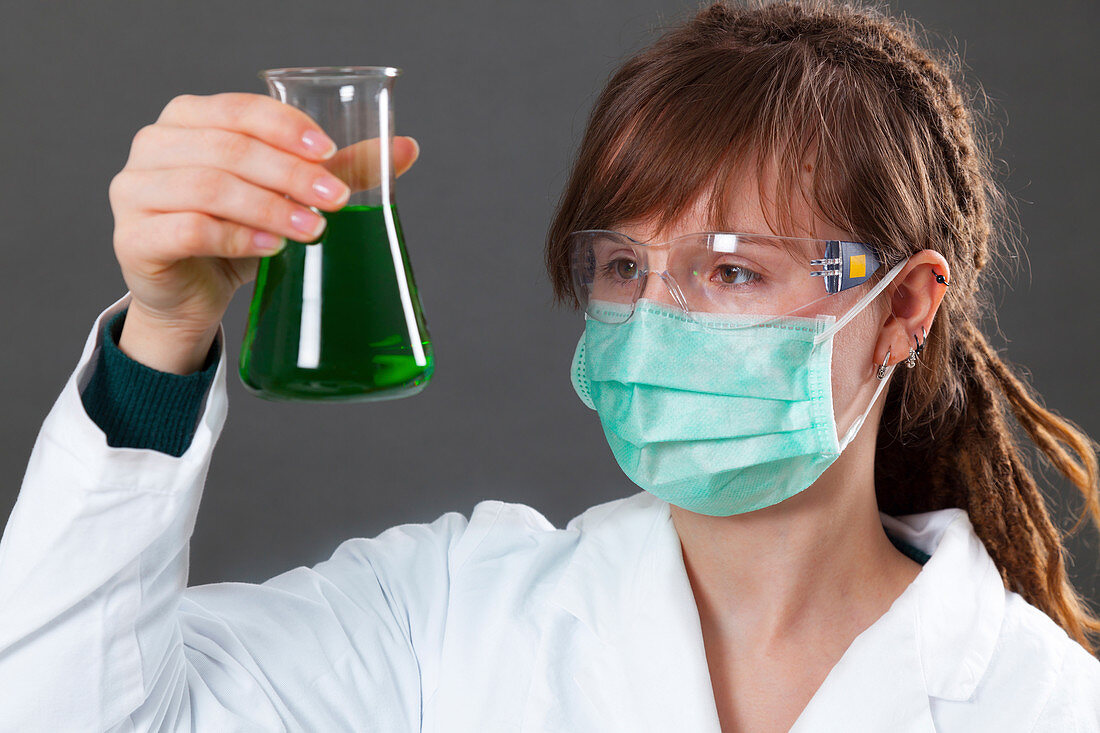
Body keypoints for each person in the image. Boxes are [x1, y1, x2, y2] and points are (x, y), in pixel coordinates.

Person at [1, 0, 1097, 730]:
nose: (653, 319)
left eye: (730, 272)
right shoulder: (446, 620)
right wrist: (163, 332)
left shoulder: (1041, 703)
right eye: (621, 264)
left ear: (903, 305)